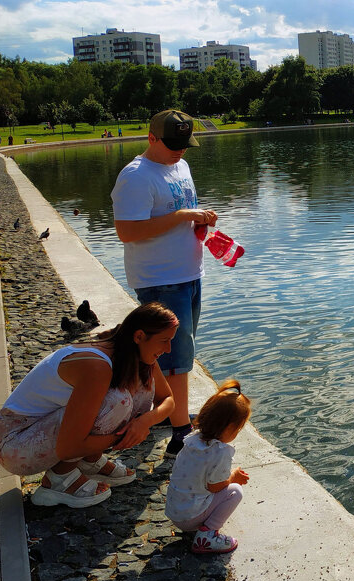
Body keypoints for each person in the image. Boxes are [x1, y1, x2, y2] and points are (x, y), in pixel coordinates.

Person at [0, 303, 177, 508]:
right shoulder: (97, 366)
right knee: (117, 401)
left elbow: (168, 399)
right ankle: (59, 480)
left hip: (38, 432)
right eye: (165, 341)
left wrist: (144, 422)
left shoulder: (135, 354)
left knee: (142, 386)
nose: (168, 349)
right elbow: (68, 447)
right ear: (139, 336)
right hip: (15, 445)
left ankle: (89, 462)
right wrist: (125, 437)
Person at [111, 109, 217, 456]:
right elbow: (128, 232)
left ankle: (165, 413)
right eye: (172, 144)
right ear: (151, 137)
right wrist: (184, 216)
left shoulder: (180, 166)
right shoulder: (136, 177)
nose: (179, 151)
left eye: (184, 145)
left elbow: (180, 212)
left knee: (175, 354)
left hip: (188, 273)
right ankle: (180, 434)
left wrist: (199, 220)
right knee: (175, 355)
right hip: (160, 280)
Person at [165, 379, 251, 554]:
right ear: (229, 428)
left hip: (176, 512)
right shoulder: (220, 452)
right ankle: (208, 536)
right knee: (235, 492)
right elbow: (215, 486)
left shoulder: (192, 440)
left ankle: (201, 527)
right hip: (189, 518)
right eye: (238, 429)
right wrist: (233, 477)